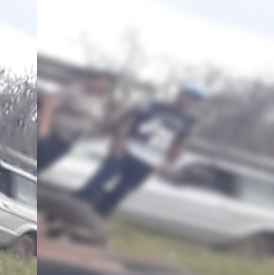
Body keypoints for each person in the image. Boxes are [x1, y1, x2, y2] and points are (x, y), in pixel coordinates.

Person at [73, 82, 205, 217]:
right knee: (96, 184)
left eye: (193, 99)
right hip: (126, 150)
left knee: (120, 193)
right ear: (180, 94)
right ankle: (69, 209)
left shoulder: (190, 121)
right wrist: (118, 140)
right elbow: (123, 120)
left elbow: (179, 143)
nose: (188, 100)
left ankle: (95, 219)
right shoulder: (152, 105)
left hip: (149, 160)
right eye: (187, 95)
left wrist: (170, 163)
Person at [37, 68, 114, 172]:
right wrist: (43, 131)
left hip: (67, 143)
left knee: (42, 167)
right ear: (92, 80)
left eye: (104, 85)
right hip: (53, 136)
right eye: (100, 83)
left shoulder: (99, 101)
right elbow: (49, 105)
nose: (101, 87)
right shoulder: (74, 90)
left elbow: (95, 121)